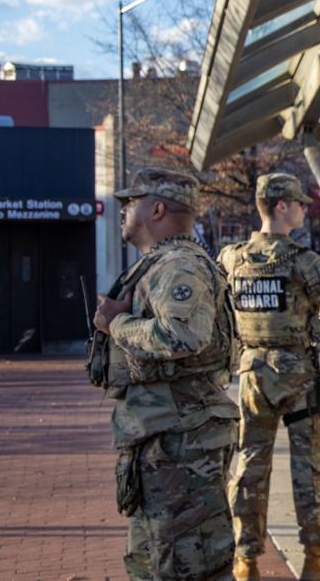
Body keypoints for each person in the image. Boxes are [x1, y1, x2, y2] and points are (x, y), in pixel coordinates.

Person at [92, 167, 239, 580]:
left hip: (183, 441)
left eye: (130, 202)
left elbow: (184, 335)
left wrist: (115, 326)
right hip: (163, 438)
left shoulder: (178, 265)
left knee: (189, 566)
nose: (122, 211)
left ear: (157, 209)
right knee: (153, 563)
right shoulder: (159, 264)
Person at [218, 173, 320, 581]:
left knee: (249, 465)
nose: (304, 207)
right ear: (281, 206)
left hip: (252, 374)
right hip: (297, 377)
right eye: (298, 201)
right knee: (308, 466)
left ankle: (245, 561)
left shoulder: (232, 258)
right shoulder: (302, 261)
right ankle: (315, 557)